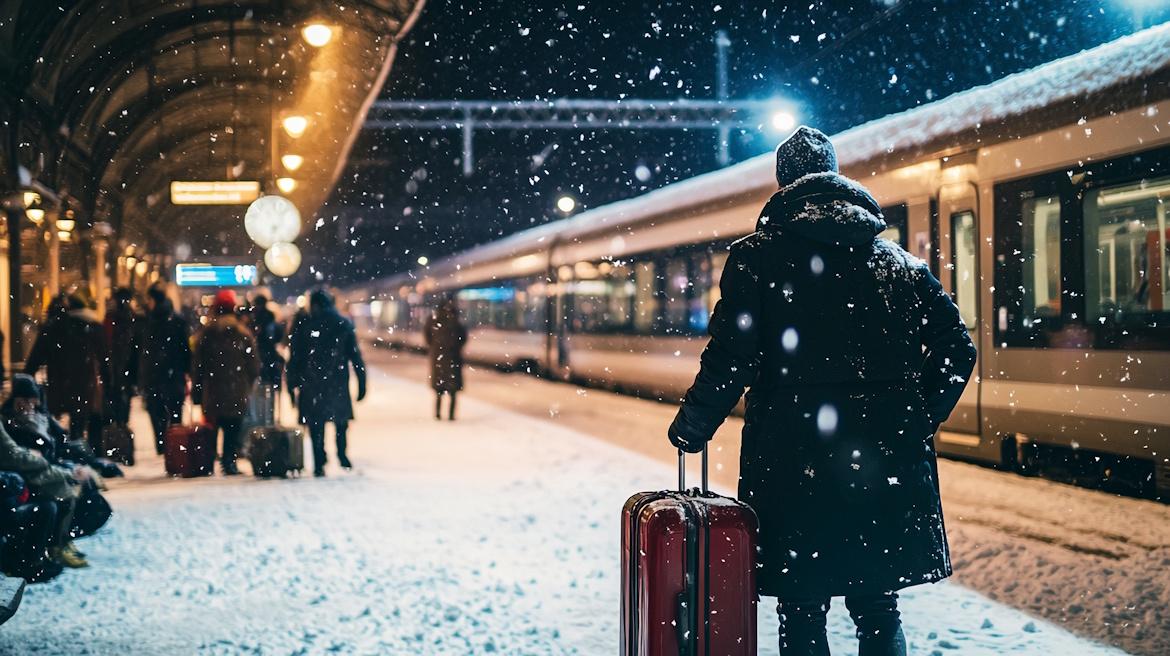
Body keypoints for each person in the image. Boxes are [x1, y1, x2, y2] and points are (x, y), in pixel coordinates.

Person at [667, 126, 977, 656]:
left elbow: (731, 357)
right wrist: (914, 417)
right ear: (834, 177)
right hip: (884, 461)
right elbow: (957, 348)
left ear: (784, 183)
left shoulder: (757, 258)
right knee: (878, 606)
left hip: (793, 459)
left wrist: (694, 425)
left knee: (802, 605)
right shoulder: (896, 265)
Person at [287, 289, 366, 477]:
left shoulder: (304, 324)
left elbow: (295, 358)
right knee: (340, 422)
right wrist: (362, 383)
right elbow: (356, 357)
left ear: (313, 304)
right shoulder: (343, 323)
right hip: (337, 382)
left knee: (316, 425)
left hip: (311, 383)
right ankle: (342, 454)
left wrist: (292, 385)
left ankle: (319, 461)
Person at [25, 292, 109, 451]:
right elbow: (104, 357)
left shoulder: (52, 327)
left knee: (55, 425)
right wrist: (108, 382)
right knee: (80, 422)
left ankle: (63, 452)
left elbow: (36, 358)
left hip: (59, 384)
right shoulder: (91, 325)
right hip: (84, 385)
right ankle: (85, 455)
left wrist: (26, 378)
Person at [0, 421, 87, 569]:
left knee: (65, 492)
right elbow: (13, 454)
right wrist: (38, 458)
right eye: (25, 401)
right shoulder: (13, 420)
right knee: (48, 505)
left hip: (24, 471)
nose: (28, 406)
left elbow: (56, 439)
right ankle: (33, 560)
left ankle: (56, 546)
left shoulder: (38, 417)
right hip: (17, 476)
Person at [192, 290, 259, 476]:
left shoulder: (207, 334)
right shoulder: (243, 333)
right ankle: (229, 462)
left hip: (213, 390)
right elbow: (253, 365)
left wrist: (197, 391)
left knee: (212, 428)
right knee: (232, 429)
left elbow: (199, 365)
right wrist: (246, 383)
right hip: (236, 390)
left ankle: (208, 461)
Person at [139, 284, 190, 454]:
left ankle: (162, 446)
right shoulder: (177, 320)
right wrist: (187, 369)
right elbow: (185, 349)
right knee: (175, 413)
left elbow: (139, 351)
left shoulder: (146, 321)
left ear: (152, 300)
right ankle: (175, 447)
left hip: (153, 375)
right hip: (174, 375)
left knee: (157, 413)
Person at [423, 298, 467, 421]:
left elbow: (427, 337)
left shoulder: (433, 320)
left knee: (439, 390)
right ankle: (451, 415)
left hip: (438, 359)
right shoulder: (456, 321)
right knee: (453, 391)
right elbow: (463, 338)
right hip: (453, 358)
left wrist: (436, 348)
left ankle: (437, 414)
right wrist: (454, 348)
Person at [103, 287, 141, 427]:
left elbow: (106, 343)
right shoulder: (133, 318)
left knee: (114, 403)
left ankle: (116, 432)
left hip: (114, 369)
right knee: (123, 405)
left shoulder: (111, 317)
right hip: (127, 368)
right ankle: (122, 431)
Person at [248, 293, 286, 423]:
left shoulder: (252, 322)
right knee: (270, 394)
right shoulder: (271, 321)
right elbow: (278, 338)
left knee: (257, 395)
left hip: (258, 362)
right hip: (270, 362)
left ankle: (259, 421)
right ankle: (269, 420)